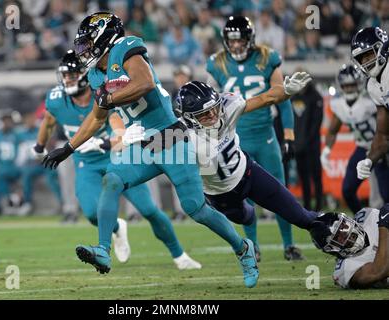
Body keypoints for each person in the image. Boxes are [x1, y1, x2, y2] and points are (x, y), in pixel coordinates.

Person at [43, 12, 259, 288]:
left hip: (169, 135)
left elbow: (144, 83)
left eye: (88, 43)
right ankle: (103, 250)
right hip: (144, 141)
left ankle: (243, 248)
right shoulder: (97, 73)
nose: (84, 51)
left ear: (104, 37)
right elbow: (97, 117)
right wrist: (68, 147)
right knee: (112, 179)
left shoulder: (125, 49)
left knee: (195, 208)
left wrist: (109, 98)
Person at [34, 50, 200, 269]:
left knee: (149, 210)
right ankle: (116, 229)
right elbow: (48, 121)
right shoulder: (57, 100)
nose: (67, 80)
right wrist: (39, 146)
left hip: (118, 156)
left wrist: (104, 143)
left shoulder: (103, 93)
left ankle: (179, 255)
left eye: (72, 75)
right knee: (93, 214)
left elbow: (121, 133)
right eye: (65, 76)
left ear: (85, 75)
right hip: (87, 164)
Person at [169, 78, 321, 252]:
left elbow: (265, 99)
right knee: (246, 217)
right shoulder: (179, 136)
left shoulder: (228, 106)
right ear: (189, 118)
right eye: (204, 114)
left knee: (300, 215)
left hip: (247, 173)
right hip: (220, 194)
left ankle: (333, 230)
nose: (213, 115)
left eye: (214, 108)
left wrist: (286, 91)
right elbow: (150, 158)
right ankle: (251, 241)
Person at [206, 15, 301, 261]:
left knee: (280, 190)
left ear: (250, 39)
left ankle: (289, 245)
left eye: (241, 40)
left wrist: (288, 134)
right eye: (231, 41)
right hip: (234, 139)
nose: (236, 46)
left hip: (265, 136)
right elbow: (209, 104)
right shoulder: (217, 63)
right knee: (241, 193)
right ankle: (253, 246)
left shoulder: (268, 57)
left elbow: (282, 96)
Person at [321, 64, 379, 214]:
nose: (349, 89)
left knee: (380, 197)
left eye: (352, 85)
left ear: (359, 84)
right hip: (362, 147)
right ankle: (363, 221)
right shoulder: (339, 105)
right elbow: (333, 130)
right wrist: (326, 150)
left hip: (380, 149)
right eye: (346, 86)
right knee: (347, 190)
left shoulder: (371, 100)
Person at [310, 204, 389, 289]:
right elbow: (379, 271)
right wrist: (384, 225)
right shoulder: (345, 270)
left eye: (343, 226)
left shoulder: (368, 216)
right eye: (337, 237)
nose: (345, 233)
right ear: (331, 249)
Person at [352, 27, 389, 204]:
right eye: (362, 58)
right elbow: (383, 136)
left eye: (369, 55)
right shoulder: (373, 86)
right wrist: (369, 160)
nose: (366, 62)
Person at [291, 69, 324, 211]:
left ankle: (318, 207)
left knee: (316, 177)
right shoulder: (292, 97)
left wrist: (306, 141)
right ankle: (306, 207)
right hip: (298, 146)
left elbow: (317, 123)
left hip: (312, 145)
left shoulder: (316, 97)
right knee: (303, 178)